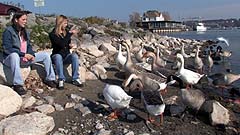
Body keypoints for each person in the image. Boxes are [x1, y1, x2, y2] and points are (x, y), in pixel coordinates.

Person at [2, 11, 56, 95]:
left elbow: (29, 46)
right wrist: (23, 54)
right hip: (11, 59)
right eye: (23, 19)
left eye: (26, 19)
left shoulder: (25, 31)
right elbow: (7, 49)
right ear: (16, 20)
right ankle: (18, 84)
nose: (25, 21)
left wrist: (31, 54)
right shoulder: (8, 31)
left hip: (24, 58)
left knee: (45, 55)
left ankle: (50, 78)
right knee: (14, 55)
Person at [49, 15, 83, 89]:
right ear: (60, 23)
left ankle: (75, 78)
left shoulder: (66, 32)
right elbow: (61, 44)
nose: (66, 25)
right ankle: (61, 79)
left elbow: (66, 43)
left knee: (74, 56)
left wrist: (69, 45)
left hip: (66, 55)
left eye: (66, 23)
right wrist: (69, 34)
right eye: (64, 23)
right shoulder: (53, 34)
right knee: (58, 56)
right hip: (57, 56)